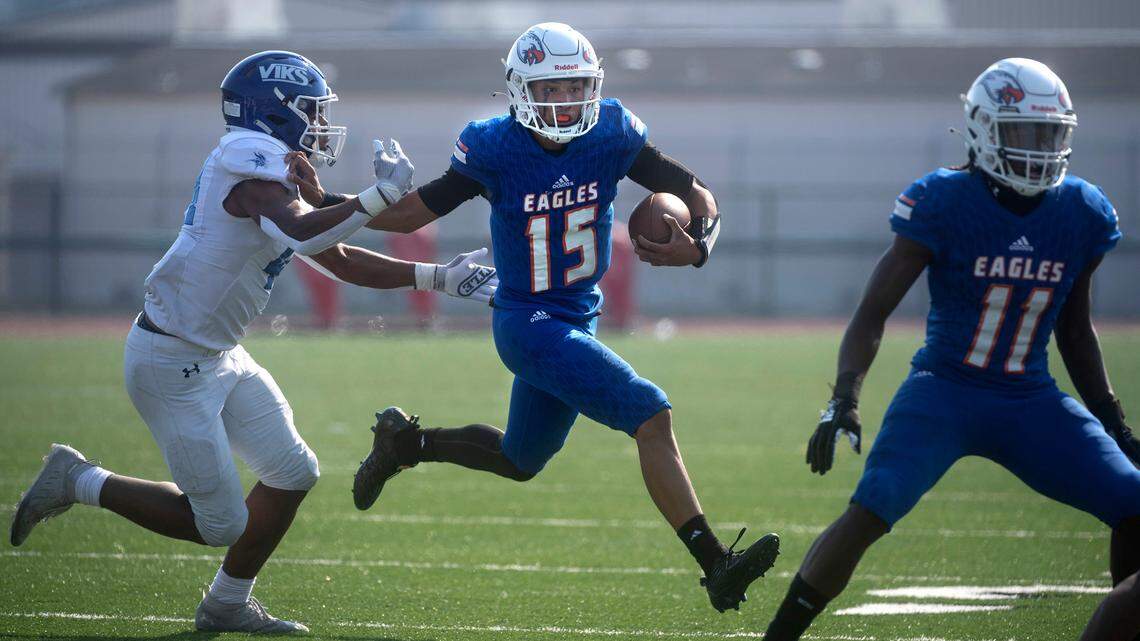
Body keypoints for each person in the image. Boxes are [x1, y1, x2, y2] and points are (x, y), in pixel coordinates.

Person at [9, 50, 495, 634]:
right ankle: (80, 479)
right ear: (278, 110)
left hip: (217, 352)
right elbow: (303, 233)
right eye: (311, 111)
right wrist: (376, 198)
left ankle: (226, 604)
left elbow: (337, 258)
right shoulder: (248, 155)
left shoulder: (273, 164)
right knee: (219, 524)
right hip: (172, 359)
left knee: (292, 472)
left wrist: (439, 277)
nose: (320, 124)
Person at [347, 23, 779, 613]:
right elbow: (407, 217)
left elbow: (695, 188)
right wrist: (318, 204)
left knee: (520, 459)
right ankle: (716, 565)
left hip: (579, 313)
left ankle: (405, 444)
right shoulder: (495, 148)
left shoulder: (611, 133)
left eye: (575, 86)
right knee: (650, 412)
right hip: (527, 322)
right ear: (522, 91)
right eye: (550, 89)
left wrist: (699, 245)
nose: (565, 101)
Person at [762, 58, 1140, 640]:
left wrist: (1112, 420)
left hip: (1029, 397)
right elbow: (873, 313)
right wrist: (844, 397)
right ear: (984, 129)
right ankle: (780, 635)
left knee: (1134, 503)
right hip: (945, 391)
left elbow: (1075, 329)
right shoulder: (945, 200)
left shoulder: (1081, 212)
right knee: (872, 506)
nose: (1038, 148)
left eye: (1049, 133)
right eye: (1023, 132)